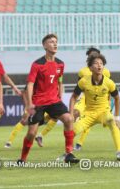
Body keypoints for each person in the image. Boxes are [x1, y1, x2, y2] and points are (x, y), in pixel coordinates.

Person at [34, 47, 111, 150]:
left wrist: (108, 104)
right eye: (91, 56)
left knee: (88, 121)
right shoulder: (82, 72)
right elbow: (79, 88)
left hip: (97, 102)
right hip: (84, 98)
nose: (94, 59)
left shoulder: (106, 72)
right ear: (88, 58)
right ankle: (42, 128)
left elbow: (108, 90)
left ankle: (79, 144)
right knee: (72, 115)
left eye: (96, 57)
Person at [18, 34, 79, 163]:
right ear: (45, 46)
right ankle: (22, 159)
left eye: (56, 42)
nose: (55, 44)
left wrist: (60, 96)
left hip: (54, 101)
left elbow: (60, 80)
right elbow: (30, 84)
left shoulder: (60, 64)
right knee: (32, 133)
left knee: (68, 119)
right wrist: (29, 104)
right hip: (38, 102)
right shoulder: (37, 64)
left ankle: (69, 153)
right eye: (51, 42)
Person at [69, 53, 120, 161]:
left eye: (101, 63)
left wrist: (117, 117)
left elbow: (117, 98)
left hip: (104, 112)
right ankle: (68, 153)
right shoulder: (83, 81)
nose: (99, 66)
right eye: (96, 63)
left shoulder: (109, 83)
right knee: (72, 131)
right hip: (88, 113)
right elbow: (73, 98)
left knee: (111, 121)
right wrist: (70, 114)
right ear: (90, 68)